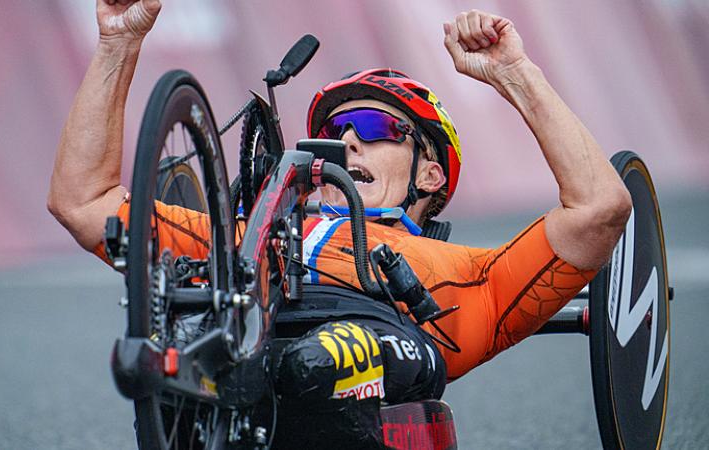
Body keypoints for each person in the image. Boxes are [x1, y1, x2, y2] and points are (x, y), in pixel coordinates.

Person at [48, 1, 631, 446]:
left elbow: (599, 208)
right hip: (242, 340)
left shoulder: (470, 274)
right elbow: (83, 203)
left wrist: (515, 73)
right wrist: (117, 44)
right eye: (336, 129)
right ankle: (208, 370)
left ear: (431, 175)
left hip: (381, 348)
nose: (345, 140)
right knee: (188, 329)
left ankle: (236, 371)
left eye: (375, 128)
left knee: (316, 360)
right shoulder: (242, 236)